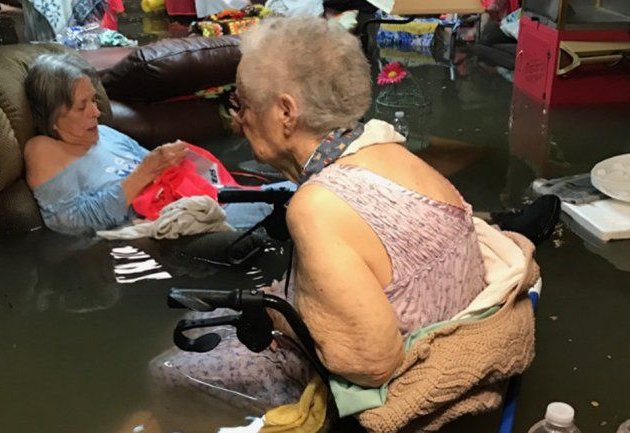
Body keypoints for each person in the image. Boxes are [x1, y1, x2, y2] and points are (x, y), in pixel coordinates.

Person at [147, 17, 495, 428]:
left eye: (242, 104)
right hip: (437, 331)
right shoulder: (389, 150)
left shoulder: (318, 205)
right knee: (199, 324)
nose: (239, 120)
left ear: (286, 112)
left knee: (165, 371)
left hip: (388, 384)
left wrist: (280, 316)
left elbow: (371, 364)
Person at [23, 53, 278, 236]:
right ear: (53, 115)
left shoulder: (105, 133)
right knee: (286, 209)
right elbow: (68, 223)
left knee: (287, 196)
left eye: (93, 101)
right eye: (82, 107)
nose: (96, 112)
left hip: (201, 201)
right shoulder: (44, 150)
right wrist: (144, 172)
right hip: (169, 226)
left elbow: (162, 174)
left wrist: (168, 160)